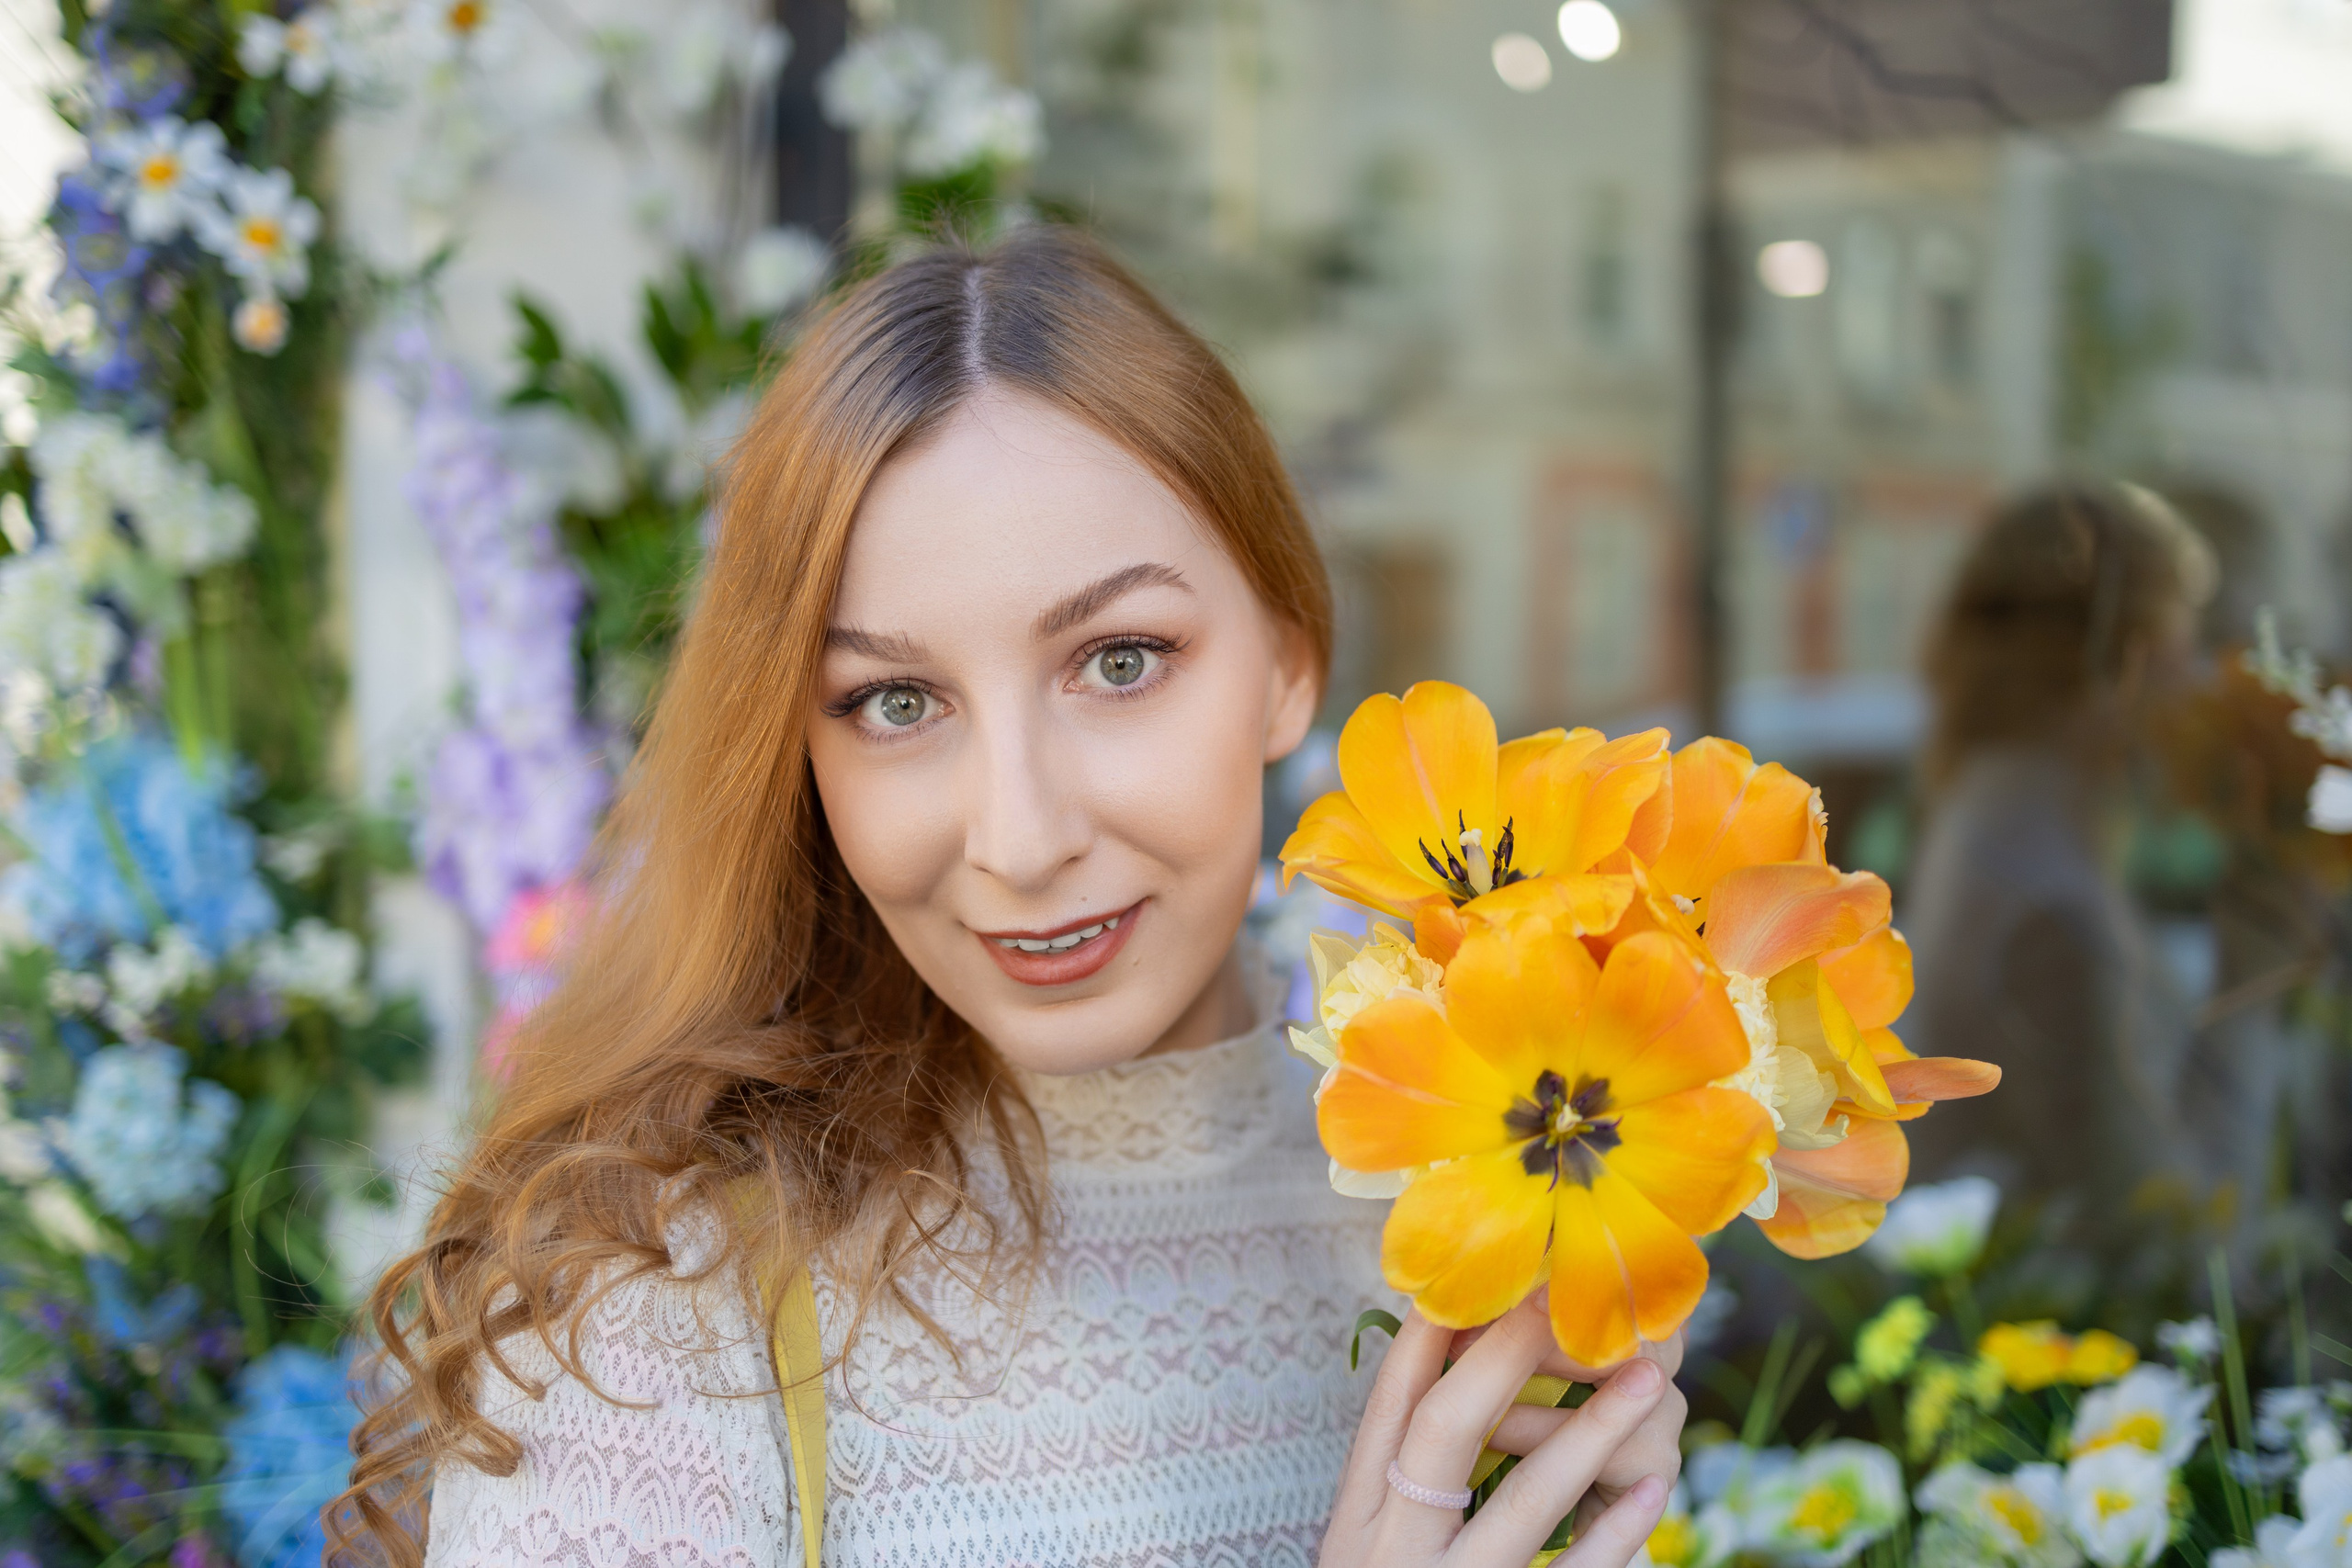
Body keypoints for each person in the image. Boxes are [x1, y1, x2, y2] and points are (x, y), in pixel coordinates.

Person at [330, 231, 1684, 1568]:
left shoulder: (1488, 1201)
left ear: (1288, 657)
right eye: (896, 702)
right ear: (795, 746)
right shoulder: (650, 1311)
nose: (1021, 837)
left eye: (1120, 660)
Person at [1901, 482, 2216, 1223]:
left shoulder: (1993, 813)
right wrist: (2260, 954)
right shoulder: (2048, 895)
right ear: (2130, 658)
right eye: (2187, 642)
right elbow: (2157, 1231)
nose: (2199, 680)